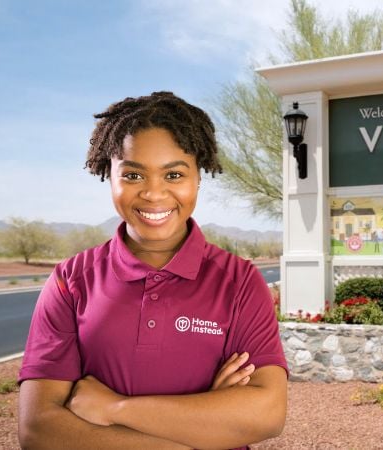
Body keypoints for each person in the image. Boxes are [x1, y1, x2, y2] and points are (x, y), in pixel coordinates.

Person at [17, 92, 288, 450]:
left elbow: (266, 414)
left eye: (174, 174)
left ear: (198, 178)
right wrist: (208, 425)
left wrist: (115, 408)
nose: (154, 194)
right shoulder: (72, 280)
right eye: (133, 175)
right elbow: (39, 430)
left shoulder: (239, 282)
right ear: (107, 175)